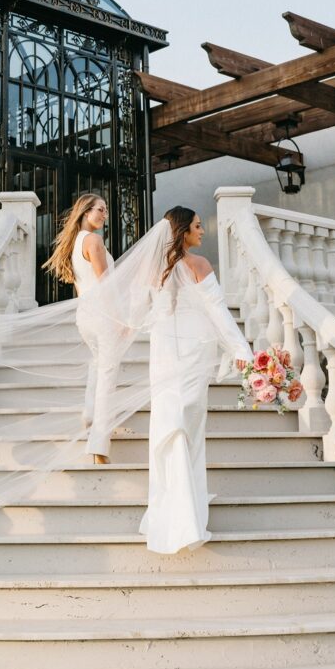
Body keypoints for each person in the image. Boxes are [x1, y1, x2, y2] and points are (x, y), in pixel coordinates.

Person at [141, 206, 252, 553]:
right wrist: (244, 353)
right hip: (188, 358)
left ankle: (171, 513)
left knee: (168, 429)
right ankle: (187, 517)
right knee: (188, 433)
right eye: (198, 226)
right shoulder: (199, 265)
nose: (203, 231)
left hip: (164, 357)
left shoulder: (154, 269)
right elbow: (220, 314)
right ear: (183, 230)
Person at [43, 193, 116, 464]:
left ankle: (89, 414)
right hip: (103, 316)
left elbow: (81, 286)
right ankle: (99, 444)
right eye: (99, 209)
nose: (104, 214)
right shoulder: (94, 240)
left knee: (98, 365)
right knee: (108, 373)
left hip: (85, 316)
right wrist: (118, 317)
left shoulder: (75, 243)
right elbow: (106, 283)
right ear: (85, 212)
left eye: (106, 210)